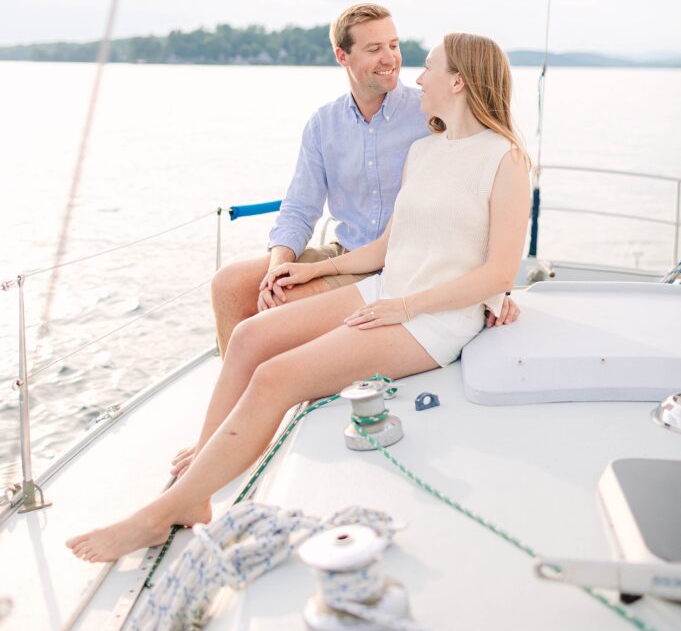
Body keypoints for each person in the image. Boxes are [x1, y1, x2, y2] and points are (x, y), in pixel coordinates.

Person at [67, 31, 531, 563]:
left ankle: (162, 512)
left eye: (428, 67)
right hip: (385, 288)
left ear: (458, 81)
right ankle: (197, 483)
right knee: (248, 337)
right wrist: (311, 272)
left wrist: (403, 308)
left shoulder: (505, 159)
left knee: (275, 376)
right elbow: (388, 245)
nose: (417, 77)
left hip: (432, 320)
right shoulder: (423, 151)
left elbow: (499, 271)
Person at [170, 2, 519, 479]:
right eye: (375, 49)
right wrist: (281, 263)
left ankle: (268, 410)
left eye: (395, 46)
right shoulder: (325, 125)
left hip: (397, 269)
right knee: (232, 284)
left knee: (282, 317)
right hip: (349, 254)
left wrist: (497, 290)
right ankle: (235, 424)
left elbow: (478, 206)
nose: (394, 61)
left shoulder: (432, 120)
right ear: (343, 57)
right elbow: (299, 207)